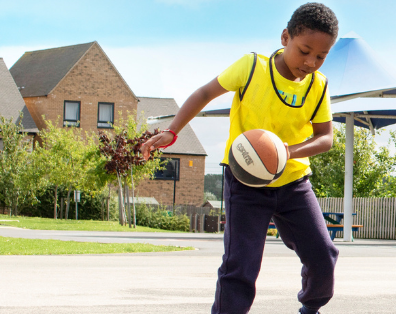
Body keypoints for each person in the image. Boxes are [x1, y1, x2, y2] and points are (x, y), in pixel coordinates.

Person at [139, 3, 341, 314]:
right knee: (241, 267)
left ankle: (310, 309)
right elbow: (204, 94)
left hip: (293, 182)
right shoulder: (251, 67)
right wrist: (172, 131)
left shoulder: (319, 85)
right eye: (305, 50)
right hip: (245, 182)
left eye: (321, 56)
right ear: (286, 37)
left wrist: (288, 152)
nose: (311, 61)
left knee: (323, 255)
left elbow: (325, 138)